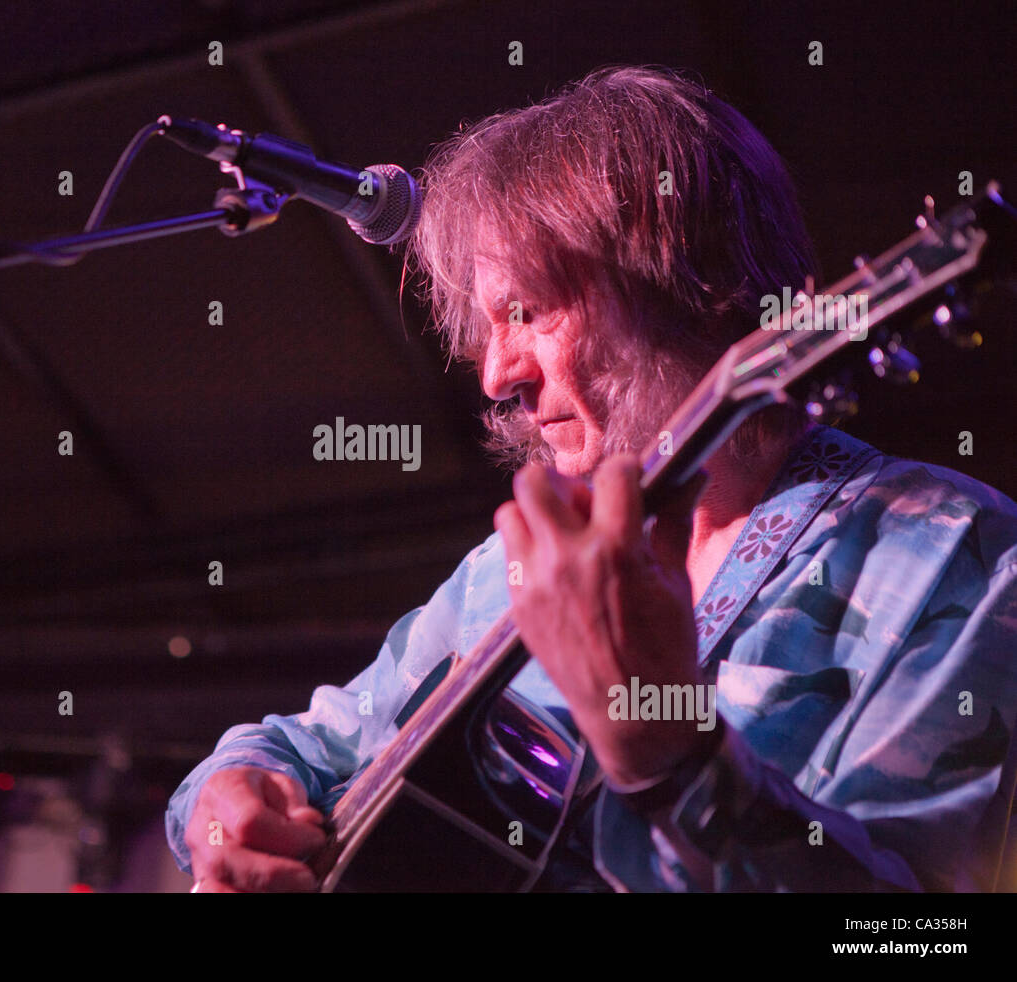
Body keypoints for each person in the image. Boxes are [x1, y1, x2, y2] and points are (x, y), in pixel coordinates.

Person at [163, 66, 1017, 892]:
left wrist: (669, 757)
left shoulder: (953, 553)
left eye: (525, 312)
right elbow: (293, 751)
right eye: (486, 326)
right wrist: (222, 806)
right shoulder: (503, 579)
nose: (496, 373)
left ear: (694, 278)